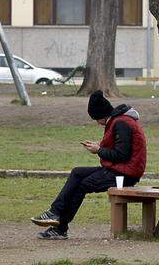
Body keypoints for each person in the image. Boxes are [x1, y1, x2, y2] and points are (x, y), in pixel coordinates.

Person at [31, 90, 147, 240]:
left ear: (103, 114)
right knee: (77, 172)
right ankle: (55, 212)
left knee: (82, 185)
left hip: (125, 174)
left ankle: (60, 228)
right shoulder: (119, 121)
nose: (97, 123)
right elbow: (120, 148)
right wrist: (100, 146)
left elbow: (122, 155)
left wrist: (98, 150)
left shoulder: (121, 123)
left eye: (97, 119)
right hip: (118, 170)